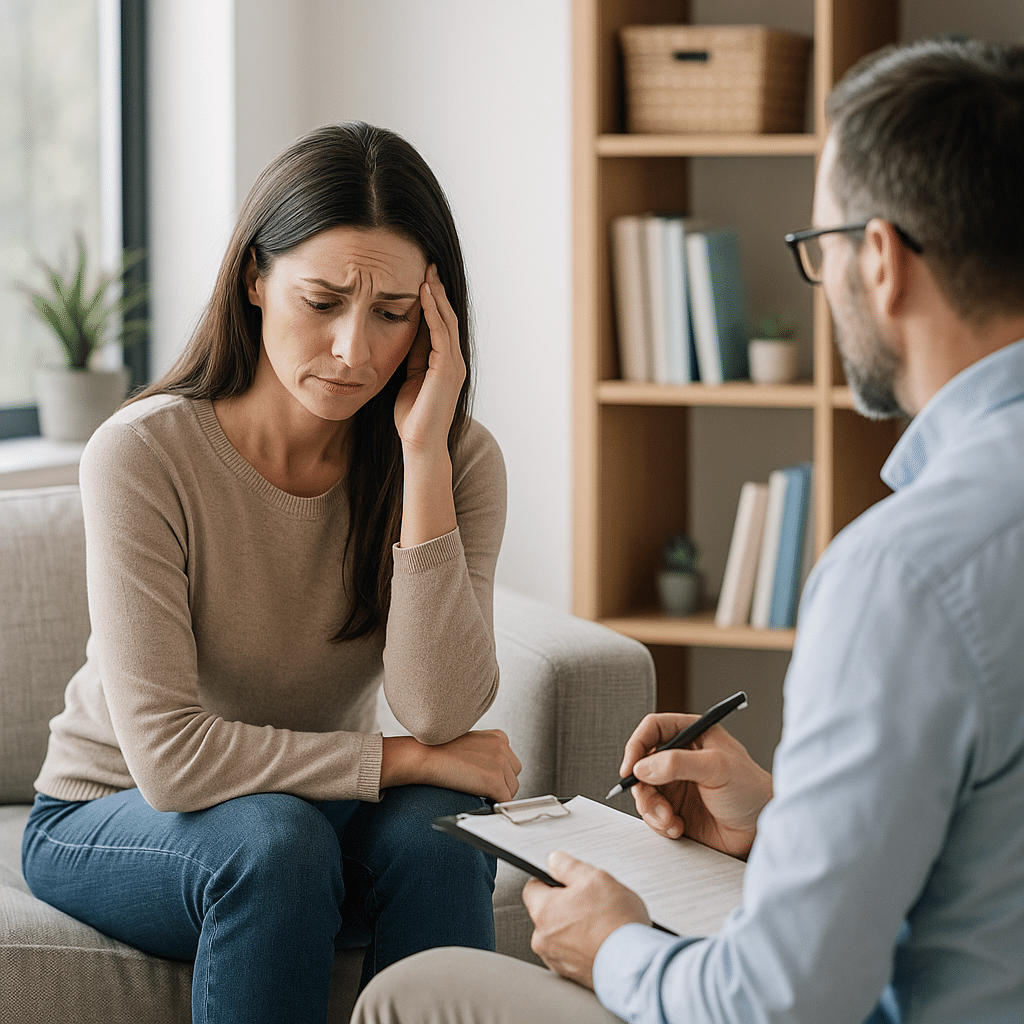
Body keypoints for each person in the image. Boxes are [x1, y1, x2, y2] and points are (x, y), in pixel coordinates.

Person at [350, 37, 1024, 1024]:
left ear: (878, 260)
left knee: (411, 993)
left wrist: (611, 944)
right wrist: (787, 823)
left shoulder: (905, 572)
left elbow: (780, 1004)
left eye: (819, 248)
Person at [20, 121, 522, 1024]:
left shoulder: (453, 462)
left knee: (444, 833)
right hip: (114, 813)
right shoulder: (142, 454)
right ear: (255, 277)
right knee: (279, 841)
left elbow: (442, 709)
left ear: (434, 317)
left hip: (307, 813)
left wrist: (424, 461)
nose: (352, 351)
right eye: (322, 300)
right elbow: (170, 763)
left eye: (392, 314)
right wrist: (400, 759)